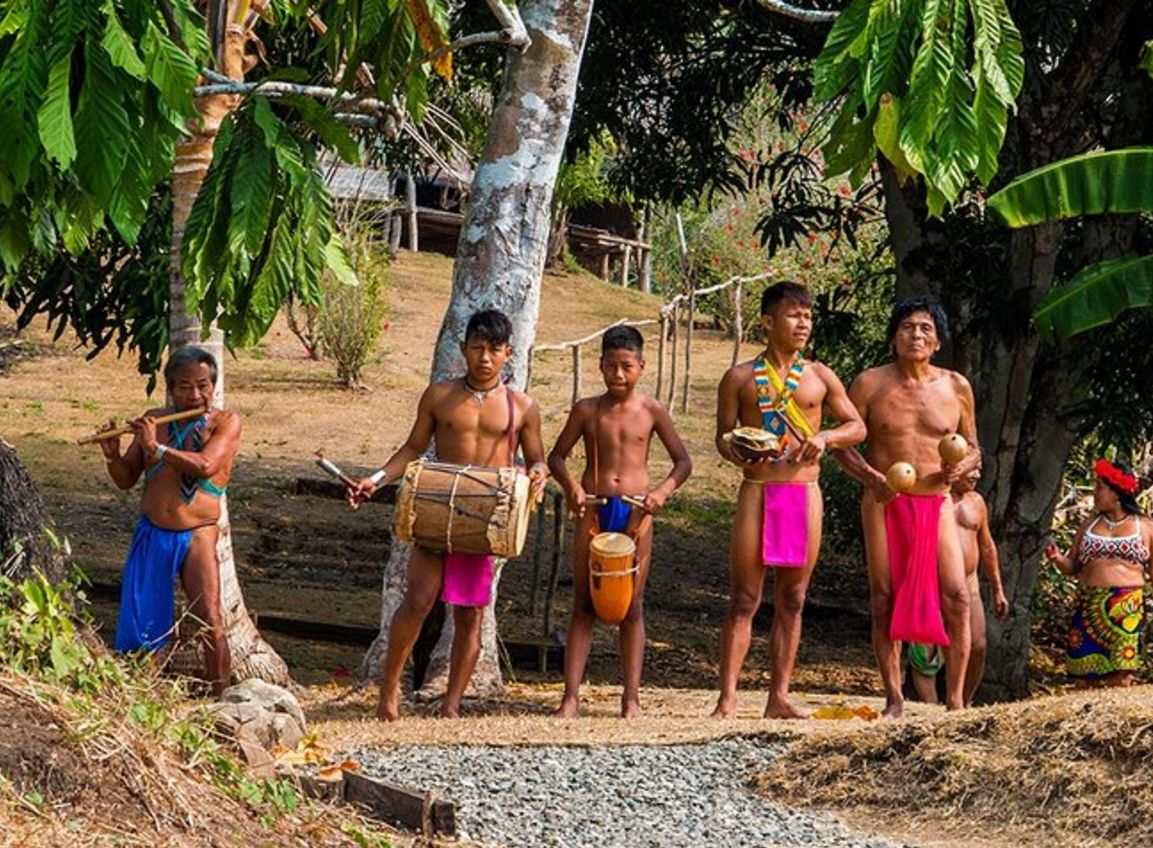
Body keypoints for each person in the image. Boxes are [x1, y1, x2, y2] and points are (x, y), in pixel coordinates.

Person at [348, 309, 548, 720]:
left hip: (484, 519)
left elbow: (538, 460)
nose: (485, 358)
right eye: (477, 348)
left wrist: (538, 476)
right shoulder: (438, 395)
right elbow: (411, 450)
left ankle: (452, 703)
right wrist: (376, 479)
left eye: (494, 349)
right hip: (437, 511)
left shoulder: (522, 407)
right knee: (418, 600)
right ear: (463, 349)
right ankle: (388, 694)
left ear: (509, 353)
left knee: (470, 611)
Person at [710, 281, 867, 720]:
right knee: (744, 597)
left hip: (803, 491)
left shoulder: (819, 375)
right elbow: (722, 438)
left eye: (808, 316)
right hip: (758, 490)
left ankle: (778, 696)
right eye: (795, 315)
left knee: (793, 598)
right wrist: (735, 447)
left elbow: (857, 426)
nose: (804, 324)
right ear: (768, 321)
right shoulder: (739, 377)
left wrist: (825, 437)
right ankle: (727, 699)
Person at [836, 295, 980, 714]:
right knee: (883, 597)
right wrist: (871, 478)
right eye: (907, 328)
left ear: (937, 343)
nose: (915, 335)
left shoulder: (956, 386)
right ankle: (894, 697)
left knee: (955, 594)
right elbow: (843, 442)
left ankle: (954, 701)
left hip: (935, 502)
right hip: (885, 500)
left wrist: (962, 469)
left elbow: (974, 449)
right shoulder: (869, 383)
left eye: (925, 329)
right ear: (893, 338)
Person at [547, 326, 692, 718]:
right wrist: (572, 486)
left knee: (633, 605)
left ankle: (631, 699)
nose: (618, 374)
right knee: (582, 603)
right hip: (593, 509)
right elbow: (556, 457)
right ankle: (570, 698)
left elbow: (683, 461)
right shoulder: (587, 409)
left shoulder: (651, 410)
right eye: (611, 366)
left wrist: (660, 493)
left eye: (627, 366)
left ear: (641, 367)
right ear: (600, 366)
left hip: (636, 513)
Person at [98, 346, 238, 696]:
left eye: (203, 386)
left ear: (213, 386)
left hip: (198, 535)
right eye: (184, 387)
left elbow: (206, 465)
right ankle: (142, 697)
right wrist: (114, 456)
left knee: (209, 617)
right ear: (170, 388)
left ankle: (221, 696)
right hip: (153, 532)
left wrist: (155, 449)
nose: (194, 395)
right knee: (144, 624)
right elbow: (126, 479)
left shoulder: (226, 423)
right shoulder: (154, 420)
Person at [1045, 458, 1153, 688]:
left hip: (1126, 608)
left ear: (1116, 493)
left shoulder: (1145, 526)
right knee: (1083, 676)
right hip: (1089, 604)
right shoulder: (1089, 525)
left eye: (1099, 488)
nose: (1094, 493)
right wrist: (1057, 559)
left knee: (1121, 676)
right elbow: (1073, 566)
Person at [905, 464, 1009, 706]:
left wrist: (997, 589)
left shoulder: (977, 502)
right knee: (924, 651)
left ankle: (963, 701)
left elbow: (987, 546)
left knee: (978, 646)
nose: (977, 475)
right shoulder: (932, 497)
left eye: (980, 469)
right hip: (930, 581)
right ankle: (930, 706)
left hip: (969, 583)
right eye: (972, 469)